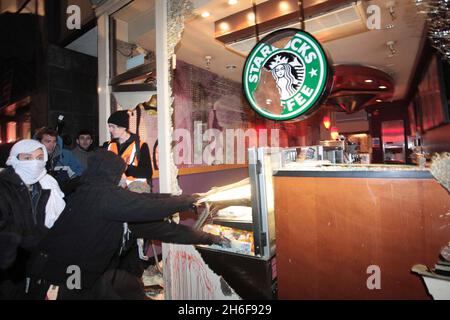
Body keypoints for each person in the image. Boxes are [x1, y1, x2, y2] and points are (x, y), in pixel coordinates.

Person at [26, 149, 229, 299]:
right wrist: (186, 201)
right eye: (121, 173)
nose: (124, 178)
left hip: (85, 272)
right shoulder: (103, 196)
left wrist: (190, 205)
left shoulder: (99, 193)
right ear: (109, 172)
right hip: (66, 271)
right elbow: (145, 206)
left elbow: (162, 221)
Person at [0, 139, 65, 299]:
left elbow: (57, 218)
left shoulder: (47, 183)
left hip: (39, 259)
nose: (34, 162)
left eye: (38, 157)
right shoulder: (4, 187)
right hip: (9, 267)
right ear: (14, 159)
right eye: (27, 158)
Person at [103, 110, 152, 187]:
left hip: (135, 189)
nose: (110, 130)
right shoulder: (107, 146)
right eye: (109, 126)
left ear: (123, 127)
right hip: (113, 188)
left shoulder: (141, 146)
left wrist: (126, 168)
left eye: (112, 126)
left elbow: (147, 172)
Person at [34, 127, 83, 195]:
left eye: (54, 141)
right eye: (48, 141)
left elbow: (80, 174)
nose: (51, 145)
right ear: (39, 142)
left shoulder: (66, 156)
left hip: (64, 197)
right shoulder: (32, 158)